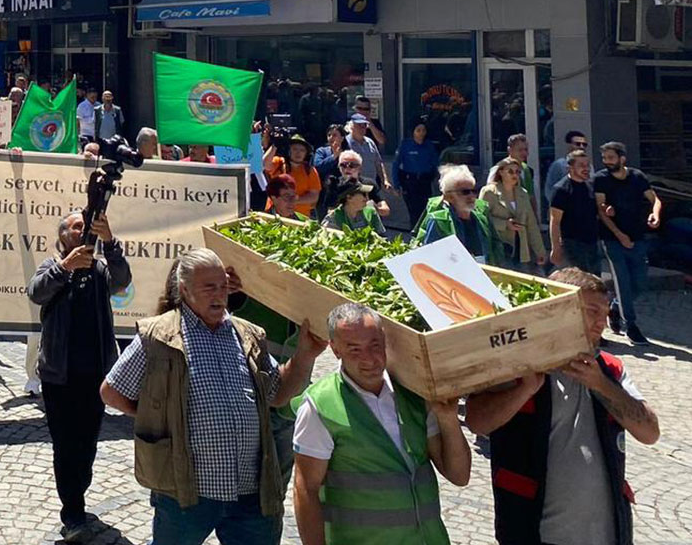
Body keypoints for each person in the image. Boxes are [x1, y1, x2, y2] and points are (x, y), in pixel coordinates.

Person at [100, 248, 323, 545]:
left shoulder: (248, 334)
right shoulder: (159, 336)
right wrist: (155, 414)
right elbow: (112, 391)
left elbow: (278, 394)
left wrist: (306, 355)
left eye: (222, 287)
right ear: (184, 289)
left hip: (251, 492)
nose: (219, 295)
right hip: (186, 492)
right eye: (209, 287)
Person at [465, 267, 660, 545]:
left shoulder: (610, 369)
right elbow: (477, 422)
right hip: (532, 532)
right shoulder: (516, 366)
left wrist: (600, 384)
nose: (601, 324)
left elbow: (650, 432)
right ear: (557, 309)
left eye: (605, 314)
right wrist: (526, 388)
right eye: (592, 311)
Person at [292, 303, 470, 545]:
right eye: (354, 349)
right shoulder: (320, 405)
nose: (369, 359)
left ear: (384, 339)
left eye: (374, 345)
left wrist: (448, 419)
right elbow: (305, 490)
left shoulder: (413, 395)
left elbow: (459, 475)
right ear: (335, 349)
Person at [27, 211, 130, 542]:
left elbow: (123, 279)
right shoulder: (52, 265)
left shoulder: (100, 269)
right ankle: (72, 510)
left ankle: (78, 494)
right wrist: (64, 267)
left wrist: (111, 242)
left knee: (86, 444)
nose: (82, 230)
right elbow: (36, 292)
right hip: (59, 375)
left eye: (86, 226)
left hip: (95, 374)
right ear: (63, 236)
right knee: (65, 444)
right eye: (75, 226)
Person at [593, 142, 660, 345]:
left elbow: (655, 199)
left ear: (622, 158)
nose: (607, 162)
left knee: (639, 282)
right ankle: (631, 325)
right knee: (622, 280)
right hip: (613, 238)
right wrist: (619, 234)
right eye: (604, 158)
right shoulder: (601, 179)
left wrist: (655, 214)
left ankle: (615, 305)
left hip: (638, 235)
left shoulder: (637, 177)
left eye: (611, 158)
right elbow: (601, 210)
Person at [416, 164, 502, 265]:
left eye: (474, 191)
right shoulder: (439, 221)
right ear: (449, 197)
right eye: (465, 192)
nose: (471, 196)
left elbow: (495, 248)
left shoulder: (481, 218)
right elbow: (429, 258)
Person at [482, 156, 547, 272]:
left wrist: (540, 251)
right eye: (510, 171)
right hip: (500, 245)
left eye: (517, 172)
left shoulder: (522, 193)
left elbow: (531, 223)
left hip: (521, 247)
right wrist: (505, 224)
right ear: (501, 172)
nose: (514, 175)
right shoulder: (489, 192)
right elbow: (482, 218)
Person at [549, 149, 603, 275]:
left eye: (587, 165)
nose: (586, 169)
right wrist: (556, 248)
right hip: (572, 243)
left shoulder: (590, 186)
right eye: (581, 166)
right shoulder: (561, 190)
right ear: (570, 168)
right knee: (581, 281)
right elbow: (555, 221)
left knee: (595, 281)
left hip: (592, 242)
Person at [393, 122, 440, 232]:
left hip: (425, 181)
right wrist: (396, 184)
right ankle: (414, 234)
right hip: (410, 182)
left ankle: (424, 234)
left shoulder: (429, 146)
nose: (421, 133)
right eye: (418, 130)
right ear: (413, 132)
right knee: (413, 210)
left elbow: (435, 163)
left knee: (425, 209)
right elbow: (396, 164)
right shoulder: (405, 145)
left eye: (423, 130)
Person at [263, 135, 320, 217]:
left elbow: (314, 196)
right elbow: (264, 164)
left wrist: (293, 200)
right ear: (289, 150)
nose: (298, 153)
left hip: (300, 218)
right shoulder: (279, 162)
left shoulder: (310, 170)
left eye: (302, 150)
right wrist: (274, 146)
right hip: (274, 214)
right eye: (295, 149)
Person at [337, 150, 391, 219]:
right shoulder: (335, 184)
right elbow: (329, 209)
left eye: (352, 165)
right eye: (343, 165)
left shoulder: (369, 184)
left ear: (359, 168)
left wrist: (373, 207)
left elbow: (386, 210)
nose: (347, 168)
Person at [344, 115, 391, 193]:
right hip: (353, 188)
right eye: (359, 125)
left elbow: (378, 163)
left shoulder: (370, 142)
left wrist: (385, 180)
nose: (362, 128)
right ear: (351, 126)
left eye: (364, 125)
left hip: (371, 185)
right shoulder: (345, 143)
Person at [544, 131, 590, 206]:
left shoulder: (590, 166)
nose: (581, 147)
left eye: (584, 144)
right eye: (578, 144)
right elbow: (549, 190)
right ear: (569, 145)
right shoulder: (559, 165)